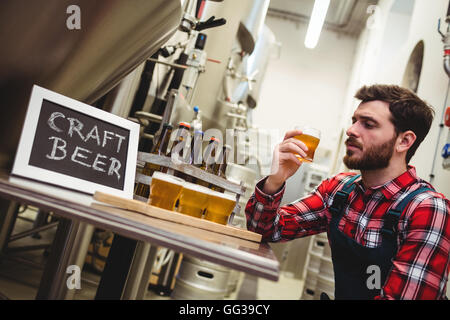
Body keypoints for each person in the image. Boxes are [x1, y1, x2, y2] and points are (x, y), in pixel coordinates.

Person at [245, 84, 450, 300]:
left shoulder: (427, 209)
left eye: (368, 124)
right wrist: (275, 180)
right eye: (354, 121)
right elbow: (265, 230)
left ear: (404, 141)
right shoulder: (340, 190)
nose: (351, 130)